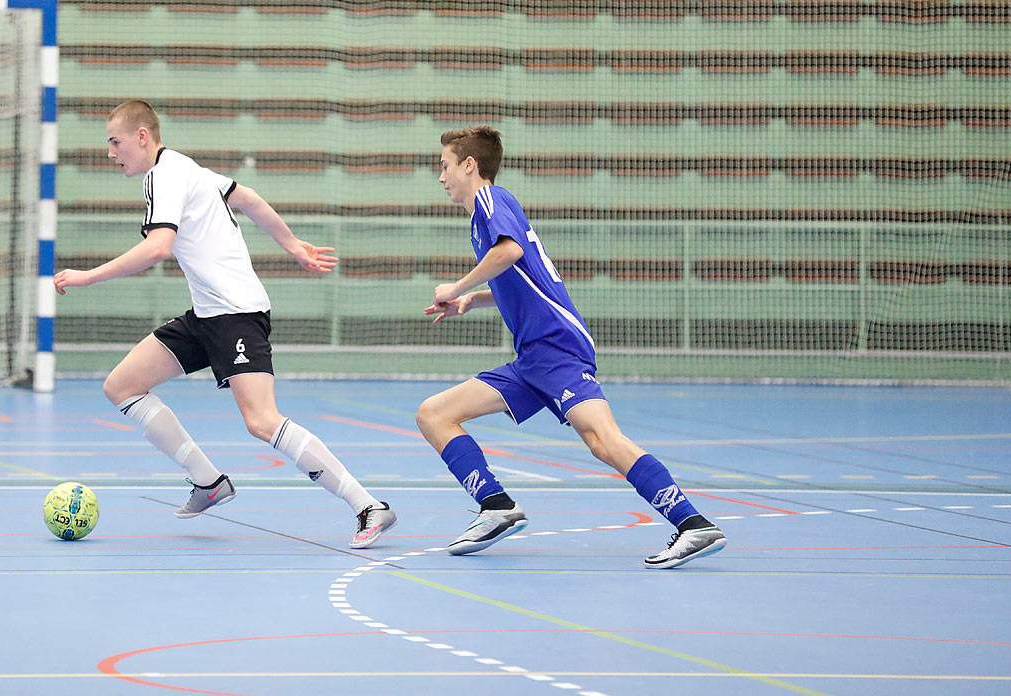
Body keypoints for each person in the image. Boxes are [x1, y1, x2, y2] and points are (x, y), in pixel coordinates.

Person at [53, 100, 397, 548]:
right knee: (122, 386)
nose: (111, 152)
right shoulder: (183, 166)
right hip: (208, 314)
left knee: (261, 420)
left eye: (115, 142)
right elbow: (248, 197)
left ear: (142, 136)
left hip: (235, 313)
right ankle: (208, 481)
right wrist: (291, 244)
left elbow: (159, 247)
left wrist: (87, 277)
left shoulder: (163, 175)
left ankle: (368, 505)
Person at [417, 125, 726, 568]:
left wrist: (457, 284)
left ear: (469, 165)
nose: (441, 176)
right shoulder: (479, 217)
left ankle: (694, 525)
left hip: (557, 349)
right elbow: (523, 276)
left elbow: (510, 254)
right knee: (434, 414)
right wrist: (475, 297)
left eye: (445, 165)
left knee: (604, 440)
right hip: (532, 359)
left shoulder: (491, 199)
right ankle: (495, 507)